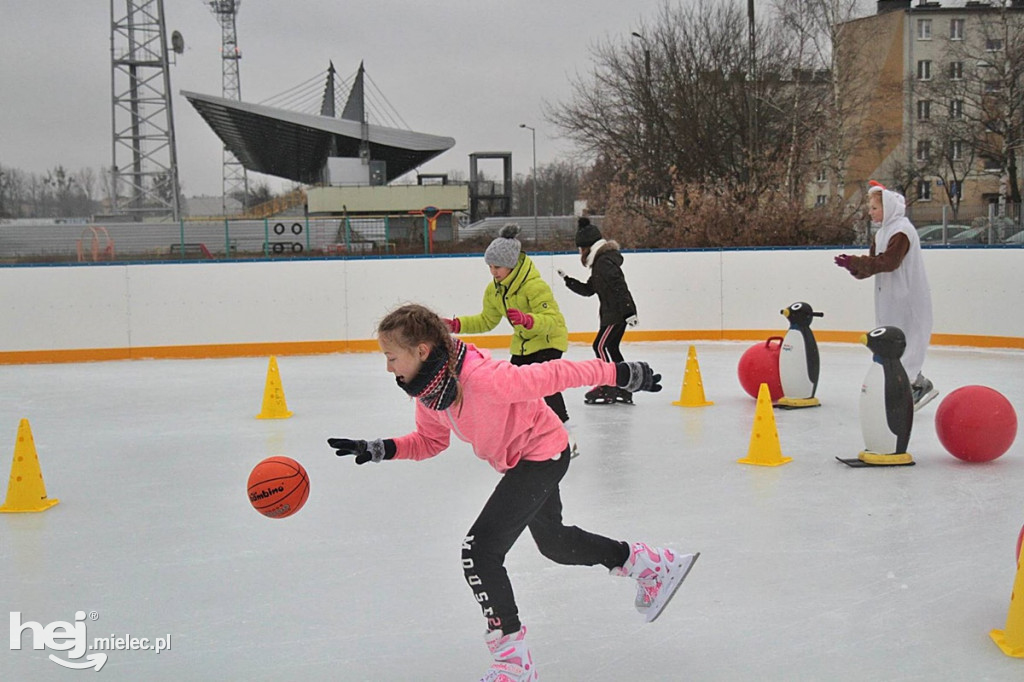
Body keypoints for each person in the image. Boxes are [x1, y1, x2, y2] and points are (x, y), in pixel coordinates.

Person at [328, 303, 699, 682]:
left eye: (391, 357)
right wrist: (380, 448)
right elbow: (429, 441)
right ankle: (652, 565)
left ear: (422, 351)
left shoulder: (485, 379)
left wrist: (622, 372)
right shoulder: (430, 391)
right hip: (523, 461)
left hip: (542, 455)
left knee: (480, 551)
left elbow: (557, 373)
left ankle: (513, 661)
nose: (388, 367)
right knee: (555, 543)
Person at [442, 223, 576, 454]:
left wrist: (528, 320)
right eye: (490, 267)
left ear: (512, 265)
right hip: (524, 344)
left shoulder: (535, 286)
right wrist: (457, 324)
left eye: (498, 267)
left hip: (549, 339)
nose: (494, 272)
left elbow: (552, 319)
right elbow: (487, 320)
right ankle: (521, 433)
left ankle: (565, 436)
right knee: (510, 386)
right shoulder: (495, 290)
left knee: (544, 384)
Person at [835, 181, 937, 410]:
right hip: (890, 298)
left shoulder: (902, 230)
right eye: (870, 208)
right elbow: (874, 265)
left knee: (907, 339)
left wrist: (856, 262)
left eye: (874, 208)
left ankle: (915, 384)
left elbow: (889, 262)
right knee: (892, 340)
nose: (870, 213)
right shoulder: (882, 233)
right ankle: (907, 384)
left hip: (908, 297)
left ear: (887, 208)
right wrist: (853, 266)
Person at [557, 217, 639, 404]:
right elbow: (589, 290)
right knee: (610, 347)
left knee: (600, 346)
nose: (580, 253)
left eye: (580, 249)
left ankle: (608, 384)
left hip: (616, 314)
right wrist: (568, 280)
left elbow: (620, 286)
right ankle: (623, 385)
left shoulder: (604, 263)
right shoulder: (600, 264)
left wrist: (629, 312)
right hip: (613, 314)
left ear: (587, 248)